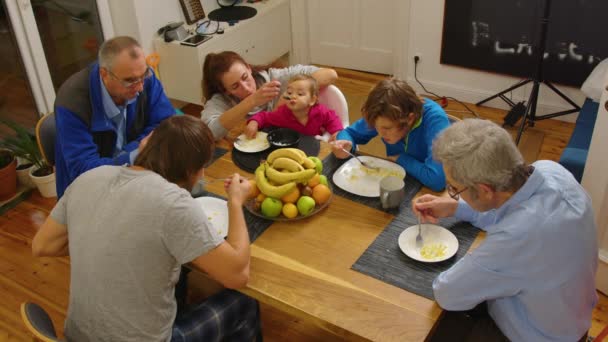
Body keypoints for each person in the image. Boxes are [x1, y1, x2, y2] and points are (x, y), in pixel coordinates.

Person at [32, 115, 261, 341]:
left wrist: (104, 240)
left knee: (177, 277)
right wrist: (235, 202)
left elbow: (42, 246)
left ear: (146, 146)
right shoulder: (174, 203)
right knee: (243, 303)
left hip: (77, 337)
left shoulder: (88, 178)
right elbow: (237, 276)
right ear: (197, 171)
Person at [413, 119, 598, 342]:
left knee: (424, 323)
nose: (454, 192)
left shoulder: (520, 235)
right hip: (569, 319)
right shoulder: (551, 171)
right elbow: (508, 210)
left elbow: (448, 294)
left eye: (454, 188)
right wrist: (455, 207)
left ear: (484, 190)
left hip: (536, 335)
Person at [54, 36, 174, 198]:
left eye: (143, 74)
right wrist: (137, 152)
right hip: (89, 192)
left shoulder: (147, 79)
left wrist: (132, 154)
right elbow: (84, 171)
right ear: (104, 74)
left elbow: (166, 124)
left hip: (134, 174)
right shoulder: (71, 103)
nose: (139, 87)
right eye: (129, 81)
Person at [331, 79, 449, 191]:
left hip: (427, 189)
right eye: (377, 127)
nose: (381, 134)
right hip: (401, 180)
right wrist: (345, 146)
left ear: (410, 119)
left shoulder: (435, 120)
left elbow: (437, 180)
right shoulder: (383, 114)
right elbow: (348, 133)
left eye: (387, 128)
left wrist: (400, 159)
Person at [201, 50, 338, 139]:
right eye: (235, 86)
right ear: (225, 90)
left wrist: (287, 96)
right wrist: (251, 101)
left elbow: (330, 74)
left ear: (249, 68)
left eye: (245, 77)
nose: (246, 87)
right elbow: (209, 134)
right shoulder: (220, 100)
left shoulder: (276, 78)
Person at [244, 74, 343, 138]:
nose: (293, 96)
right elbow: (264, 117)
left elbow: (332, 119)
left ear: (312, 100)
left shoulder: (320, 111)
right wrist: (254, 123)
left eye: (300, 94)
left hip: (315, 147)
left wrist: (336, 133)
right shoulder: (282, 114)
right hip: (293, 149)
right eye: (290, 92)